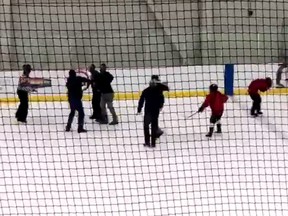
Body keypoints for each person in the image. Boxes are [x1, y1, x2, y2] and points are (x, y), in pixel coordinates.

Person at [137, 75, 169, 147]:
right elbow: (162, 99)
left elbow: (141, 101)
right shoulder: (158, 91)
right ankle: (153, 143)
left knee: (146, 126)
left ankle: (147, 142)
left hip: (148, 111)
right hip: (155, 111)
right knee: (154, 126)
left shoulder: (146, 91)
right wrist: (160, 106)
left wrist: (139, 109)